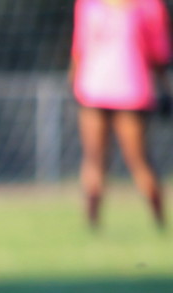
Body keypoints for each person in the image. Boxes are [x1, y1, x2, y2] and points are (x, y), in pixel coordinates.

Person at [70, 0, 172, 231]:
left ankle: (94, 225)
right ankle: (158, 223)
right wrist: (164, 87)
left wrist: (73, 81)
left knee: (105, 160)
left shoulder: (147, 6)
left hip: (111, 90)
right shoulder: (148, 6)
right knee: (129, 161)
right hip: (119, 89)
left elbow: (78, 50)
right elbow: (158, 55)